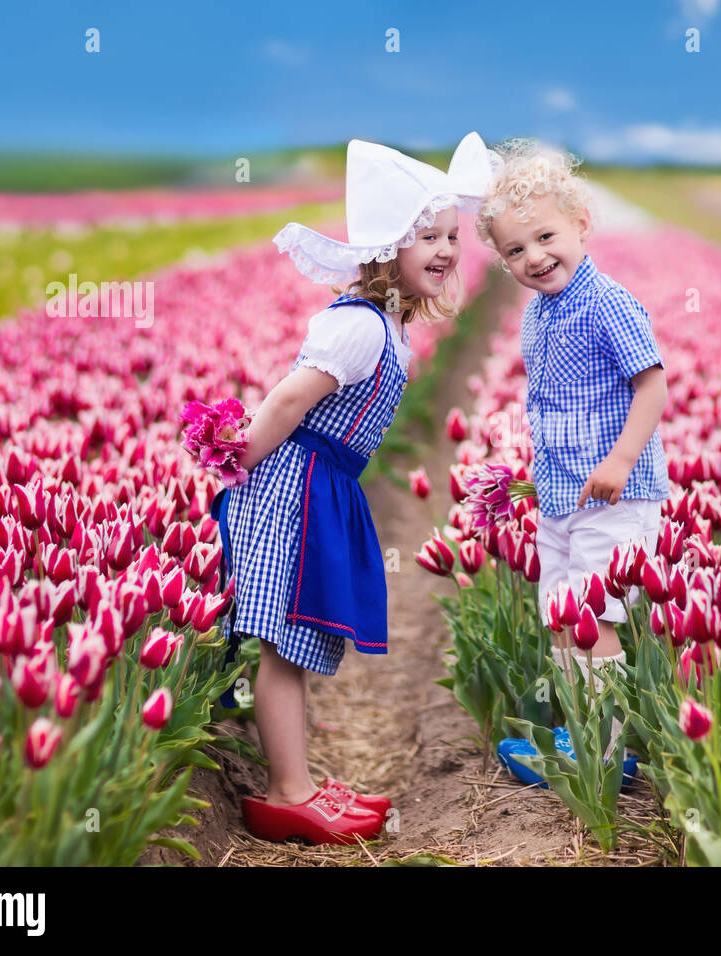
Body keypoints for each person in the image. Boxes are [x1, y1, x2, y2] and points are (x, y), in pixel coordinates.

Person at [209, 132, 495, 845]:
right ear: (385, 247)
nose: (445, 249)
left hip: (322, 483)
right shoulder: (358, 329)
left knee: (295, 642)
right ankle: (287, 791)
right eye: (426, 235)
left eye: (450, 236)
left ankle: (297, 780)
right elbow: (286, 401)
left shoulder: (385, 325)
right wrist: (238, 461)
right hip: (293, 483)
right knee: (283, 640)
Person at [474, 140, 670, 785]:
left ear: (581, 225)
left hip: (614, 494)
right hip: (559, 497)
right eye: (515, 250)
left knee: (595, 618)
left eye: (545, 236)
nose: (534, 257)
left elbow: (652, 385)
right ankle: (579, 729)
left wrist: (618, 459)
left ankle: (607, 750)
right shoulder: (538, 313)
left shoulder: (607, 302)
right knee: (561, 615)